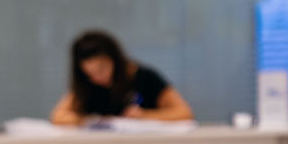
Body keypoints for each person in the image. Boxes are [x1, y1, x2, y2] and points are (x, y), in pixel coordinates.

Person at [49, 30, 194, 125]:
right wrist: (89, 120)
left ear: (115, 60)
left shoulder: (144, 78)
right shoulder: (87, 85)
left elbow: (185, 113)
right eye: (90, 74)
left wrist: (146, 115)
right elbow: (58, 116)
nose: (97, 77)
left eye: (101, 69)